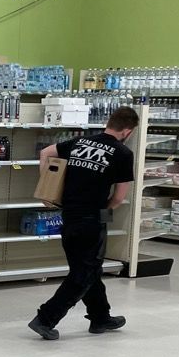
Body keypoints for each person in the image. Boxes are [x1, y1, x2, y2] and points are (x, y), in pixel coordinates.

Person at [28, 106, 138, 340]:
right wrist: (105, 210)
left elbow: (46, 152)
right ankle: (45, 318)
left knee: (89, 270)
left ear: (109, 122)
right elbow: (119, 198)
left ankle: (100, 317)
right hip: (92, 217)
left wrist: (48, 186)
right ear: (127, 131)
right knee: (83, 274)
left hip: (68, 215)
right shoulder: (123, 153)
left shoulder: (79, 142)